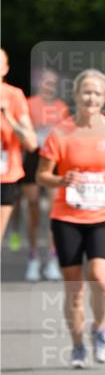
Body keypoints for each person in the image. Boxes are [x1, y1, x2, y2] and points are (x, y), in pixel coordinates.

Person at [37, 69, 105, 368]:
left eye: (97, 93)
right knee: (74, 287)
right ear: (76, 96)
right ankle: (78, 345)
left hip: (104, 214)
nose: (91, 98)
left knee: (101, 279)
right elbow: (42, 176)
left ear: (104, 98)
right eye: (86, 92)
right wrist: (62, 179)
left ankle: (100, 330)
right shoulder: (60, 132)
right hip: (67, 216)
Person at [24, 69, 70, 281]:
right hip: (33, 158)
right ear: (38, 83)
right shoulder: (29, 103)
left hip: (53, 160)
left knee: (53, 211)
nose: (49, 86)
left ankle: (52, 259)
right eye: (45, 82)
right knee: (33, 207)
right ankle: (33, 257)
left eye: (53, 83)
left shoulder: (61, 107)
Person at [1, 49, 37, 241]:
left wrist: (9, 118)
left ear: (5, 69)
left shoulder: (14, 96)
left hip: (5, 177)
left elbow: (31, 143)